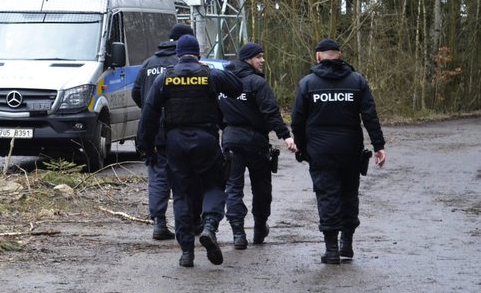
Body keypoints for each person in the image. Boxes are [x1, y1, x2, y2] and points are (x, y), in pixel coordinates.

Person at [138, 34, 242, 267]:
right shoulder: (209, 75)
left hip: (175, 142)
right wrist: (209, 69)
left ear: (178, 55)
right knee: (214, 185)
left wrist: (146, 146)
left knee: (182, 195)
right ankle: (209, 226)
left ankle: (186, 252)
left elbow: (149, 114)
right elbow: (237, 87)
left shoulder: (166, 77)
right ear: (198, 54)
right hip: (206, 138)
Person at [290, 38, 387, 264]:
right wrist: (379, 146)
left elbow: (297, 121)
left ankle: (331, 249)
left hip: (320, 151)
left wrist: (303, 149)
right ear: (340, 56)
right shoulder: (357, 81)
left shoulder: (307, 83)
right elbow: (370, 116)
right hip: (350, 149)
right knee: (349, 194)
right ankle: (347, 244)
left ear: (318, 57)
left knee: (327, 196)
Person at [219, 42, 296, 249]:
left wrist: (225, 130)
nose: (262, 60)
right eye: (258, 57)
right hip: (255, 142)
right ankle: (260, 227)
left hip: (231, 139)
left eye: (262, 56)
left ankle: (238, 233)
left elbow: (216, 110)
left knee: (232, 187)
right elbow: (270, 111)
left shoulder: (224, 81)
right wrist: (286, 136)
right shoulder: (256, 83)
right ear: (247, 59)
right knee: (261, 187)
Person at [132, 22, 194, 240]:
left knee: (158, 176)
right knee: (184, 176)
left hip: (154, 130)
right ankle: (188, 223)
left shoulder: (149, 63)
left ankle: (159, 223)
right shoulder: (183, 64)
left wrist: (151, 112)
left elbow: (136, 93)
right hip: (181, 129)